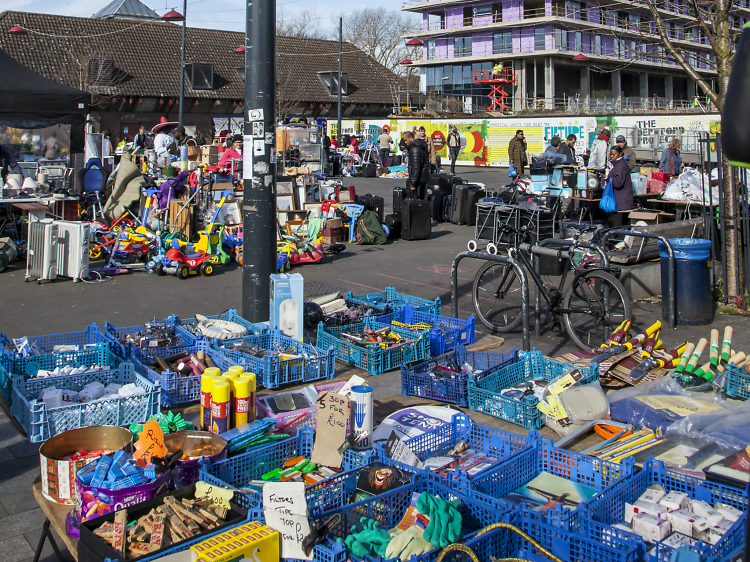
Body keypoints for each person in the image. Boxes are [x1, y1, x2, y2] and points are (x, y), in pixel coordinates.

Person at [605, 145, 634, 227]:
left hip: (621, 201)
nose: (611, 156)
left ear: (620, 154)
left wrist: (607, 177)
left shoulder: (621, 165)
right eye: (610, 154)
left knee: (617, 223)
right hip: (619, 200)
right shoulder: (616, 164)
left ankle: (617, 238)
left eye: (614, 154)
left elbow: (618, 182)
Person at [403, 131, 429, 200]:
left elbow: (416, 168)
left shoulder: (415, 149)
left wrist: (413, 183)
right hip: (423, 178)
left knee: (416, 202)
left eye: (406, 140)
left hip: (418, 181)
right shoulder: (420, 146)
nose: (405, 142)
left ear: (410, 138)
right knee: (421, 201)